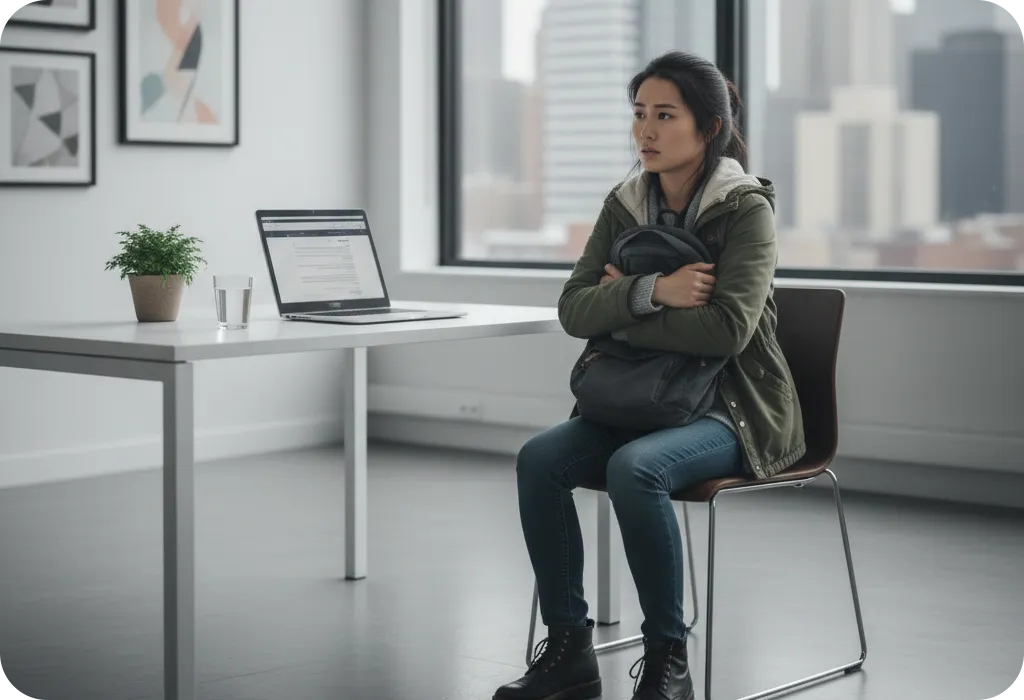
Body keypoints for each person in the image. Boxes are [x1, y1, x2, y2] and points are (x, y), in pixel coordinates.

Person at [492, 51, 806, 700]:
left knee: (636, 469)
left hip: (730, 409)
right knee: (539, 460)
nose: (646, 131)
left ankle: (669, 659)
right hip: (635, 399)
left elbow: (726, 331)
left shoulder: (745, 210)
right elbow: (574, 309)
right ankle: (570, 650)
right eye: (639, 114)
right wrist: (656, 291)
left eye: (665, 115)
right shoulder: (626, 202)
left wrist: (622, 313)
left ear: (709, 127)